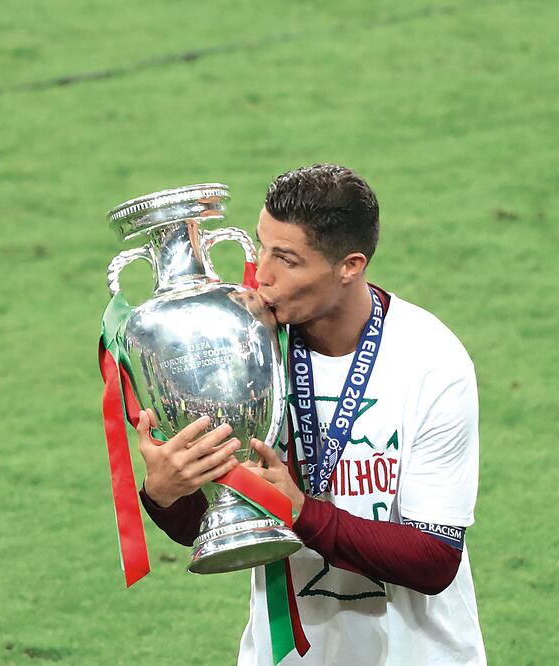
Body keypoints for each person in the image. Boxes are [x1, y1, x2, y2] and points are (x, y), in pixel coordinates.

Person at [136, 164, 486, 665]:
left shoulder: (431, 361)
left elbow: (434, 560)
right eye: (261, 246)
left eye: (287, 259)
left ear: (349, 265)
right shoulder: (240, 346)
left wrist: (300, 512)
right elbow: (211, 525)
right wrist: (167, 491)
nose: (263, 274)